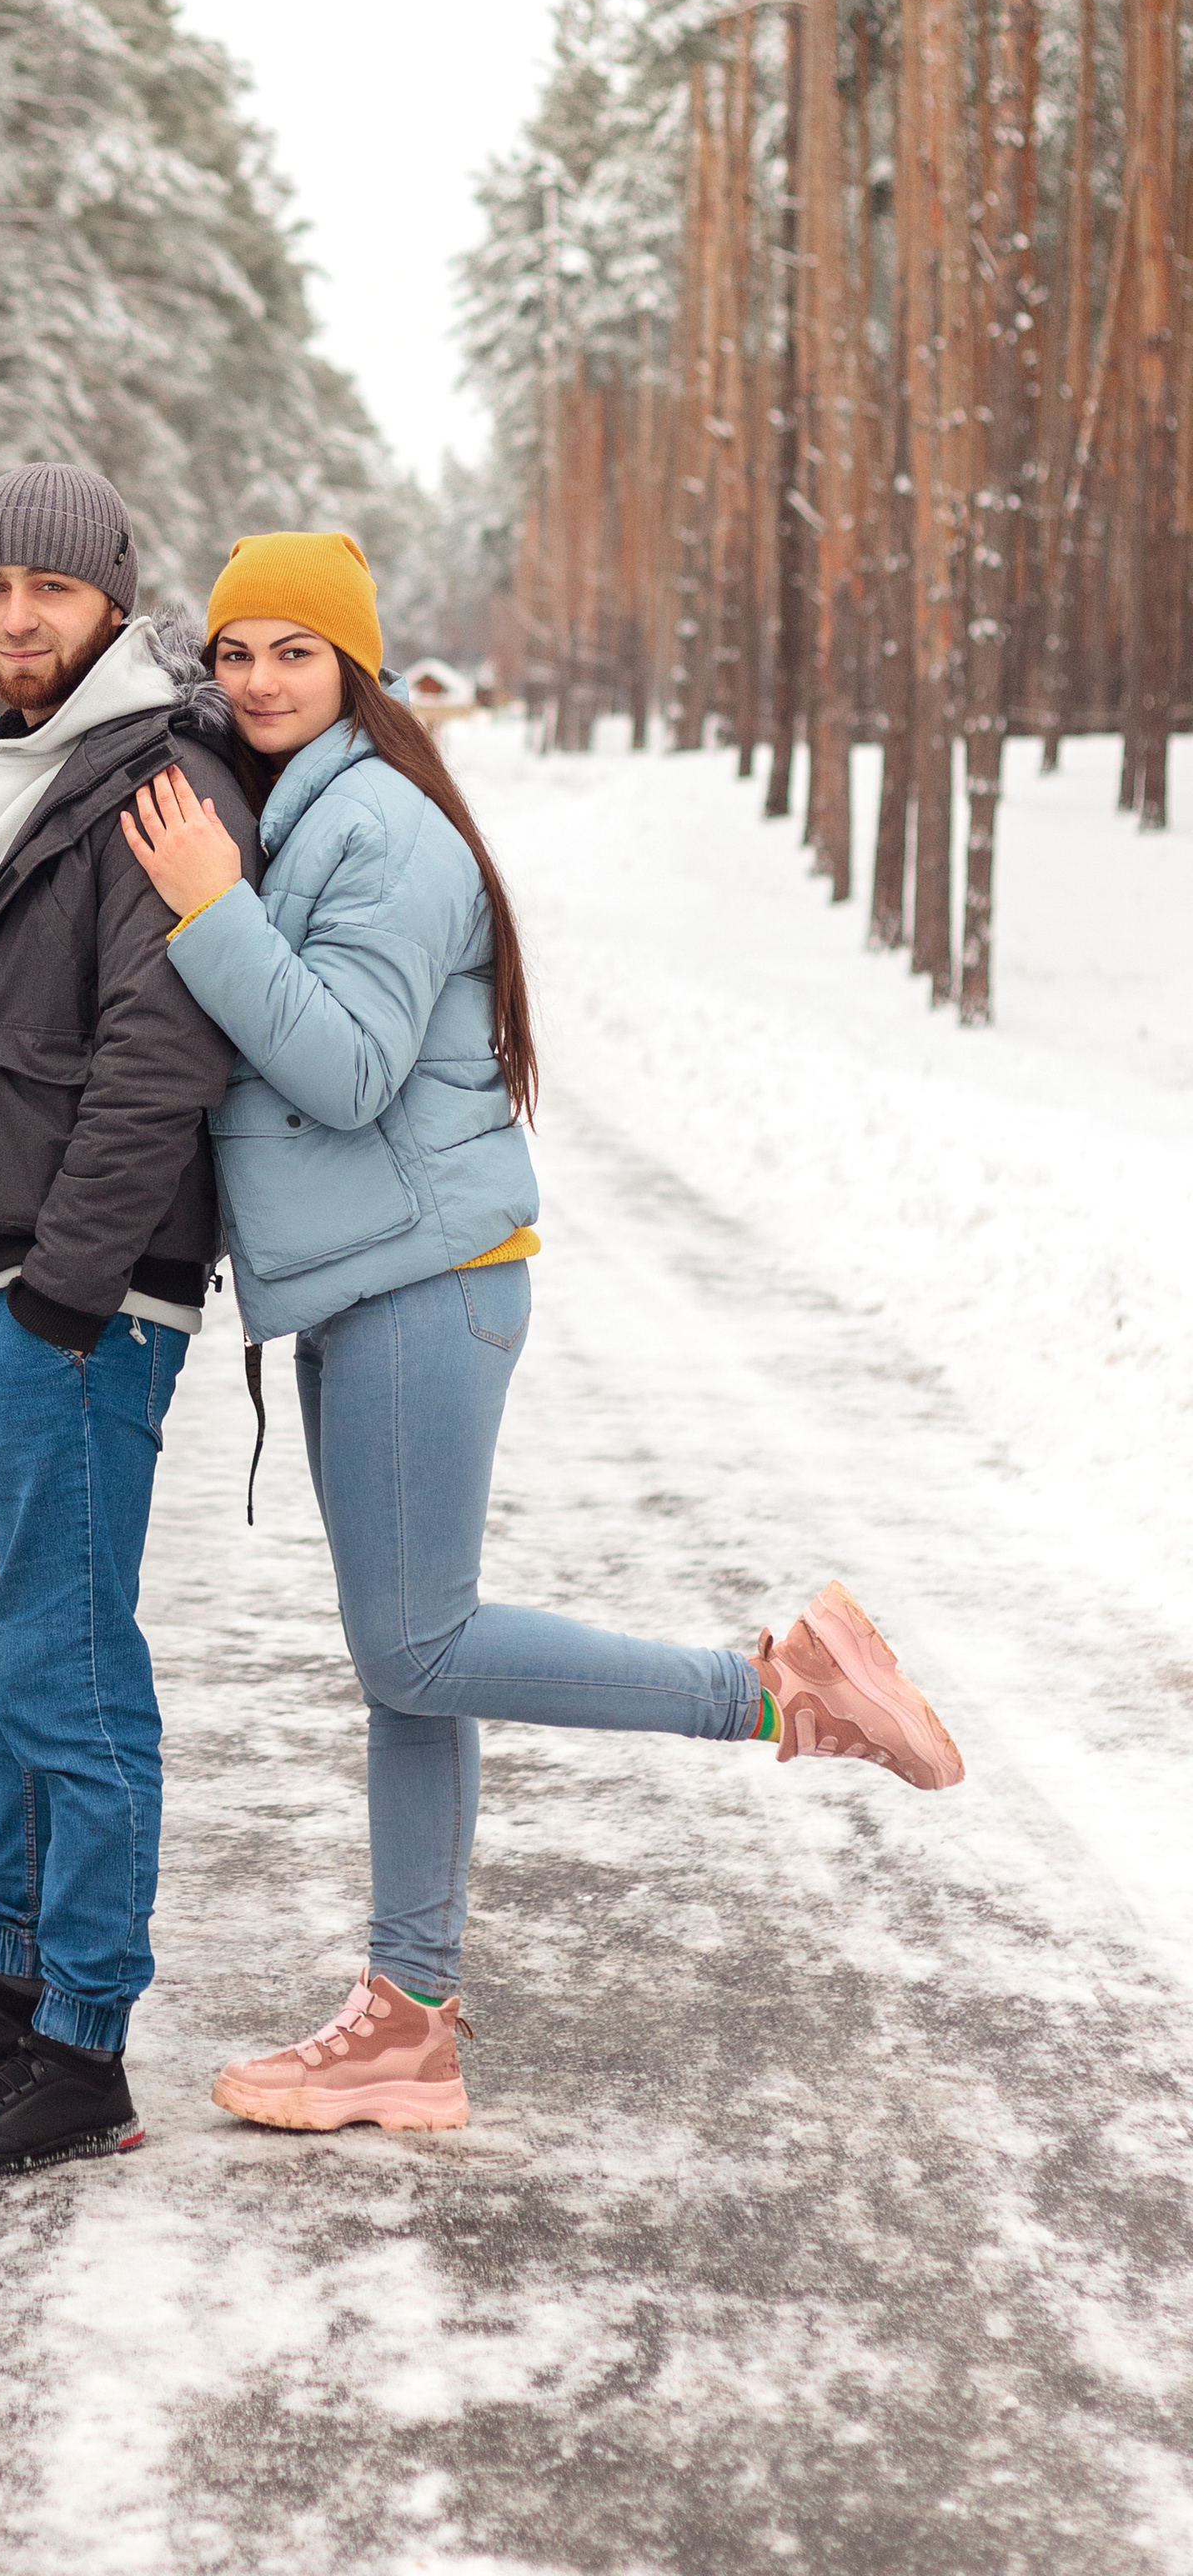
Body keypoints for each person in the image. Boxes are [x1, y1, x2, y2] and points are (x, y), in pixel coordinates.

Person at [119, 529, 965, 2138]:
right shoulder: (306, 798)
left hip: (420, 1280)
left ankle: (780, 1688)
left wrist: (212, 915)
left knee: (418, 1644)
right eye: (237, 653)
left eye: (297, 651)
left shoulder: (383, 833)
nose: (257, 679)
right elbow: (129, 717)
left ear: (357, 665)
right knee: (409, 1669)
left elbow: (351, 1068)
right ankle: (408, 2022)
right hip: (374, 1275)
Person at [0, 463, 260, 2176]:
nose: (16, 617)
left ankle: (82, 2050)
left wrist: (74, 1295)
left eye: (49, 592)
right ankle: (13, 1978)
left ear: (108, 603)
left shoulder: (160, 781)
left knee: (68, 1677)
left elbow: (161, 1061)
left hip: (59, 1304)